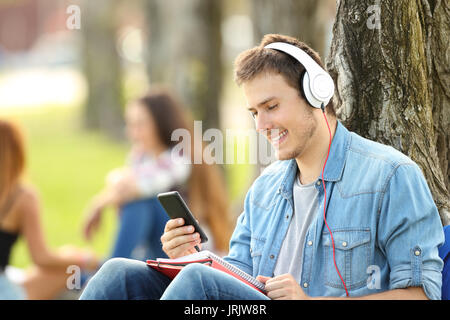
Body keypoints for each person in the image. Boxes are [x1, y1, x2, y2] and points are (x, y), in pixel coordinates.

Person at [80, 34, 444, 300]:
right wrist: (192, 260)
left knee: (197, 286)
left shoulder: (391, 176)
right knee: (118, 274)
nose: (261, 125)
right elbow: (234, 280)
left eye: (271, 106)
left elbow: (421, 295)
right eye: (255, 113)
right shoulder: (265, 189)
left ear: (316, 93)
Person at [82, 88, 232, 262]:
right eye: (130, 124)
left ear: (161, 123)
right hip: (158, 247)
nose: (132, 133)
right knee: (140, 201)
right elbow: (119, 180)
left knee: (142, 200)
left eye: (140, 124)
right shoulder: (142, 156)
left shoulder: (182, 156)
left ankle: (109, 266)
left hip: (191, 250)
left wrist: (98, 204)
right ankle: (110, 266)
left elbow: (139, 187)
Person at [0, 119, 99, 299]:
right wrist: (87, 259)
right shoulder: (22, 196)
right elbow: (41, 257)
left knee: (67, 256)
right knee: (71, 269)